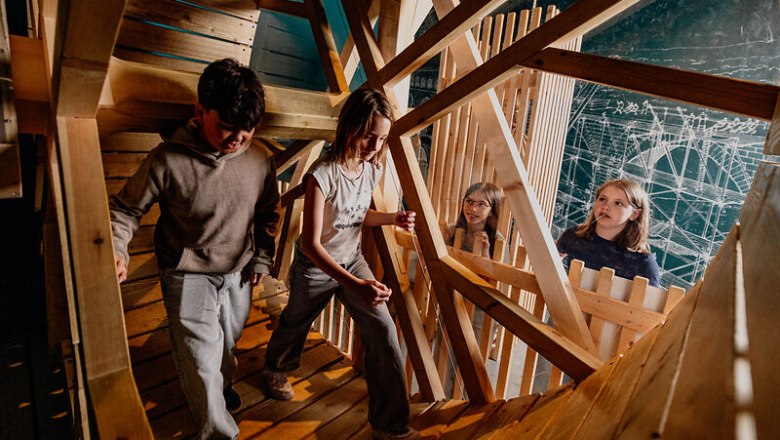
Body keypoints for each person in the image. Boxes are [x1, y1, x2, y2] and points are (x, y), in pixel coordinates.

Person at [109, 58, 279, 439]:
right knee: (201, 361)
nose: (238, 138)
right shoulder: (166, 160)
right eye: (228, 128)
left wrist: (263, 256)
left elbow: (269, 211)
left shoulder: (260, 159)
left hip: (238, 269)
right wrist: (117, 248)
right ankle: (220, 431)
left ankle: (223, 386)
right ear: (200, 112)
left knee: (225, 346)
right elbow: (124, 209)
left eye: (248, 130)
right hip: (185, 272)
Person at [262, 89, 419, 440]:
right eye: (368, 136)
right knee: (295, 321)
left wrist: (392, 218)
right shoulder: (322, 175)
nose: (374, 147)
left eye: (381, 139)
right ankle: (276, 367)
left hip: (352, 259)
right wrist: (356, 284)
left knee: (383, 330)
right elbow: (311, 244)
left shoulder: (369, 170)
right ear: (349, 127)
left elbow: (357, 215)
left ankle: (390, 426)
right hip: (315, 268)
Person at [556, 178, 660, 287]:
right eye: (602, 199)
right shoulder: (573, 236)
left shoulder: (644, 263)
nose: (605, 207)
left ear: (634, 214)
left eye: (618, 203)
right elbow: (551, 259)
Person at [444, 182, 504, 258]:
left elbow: (501, 270)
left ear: (492, 211)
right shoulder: (450, 231)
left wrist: (485, 253)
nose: (473, 209)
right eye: (469, 201)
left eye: (481, 204)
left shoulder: (499, 241)